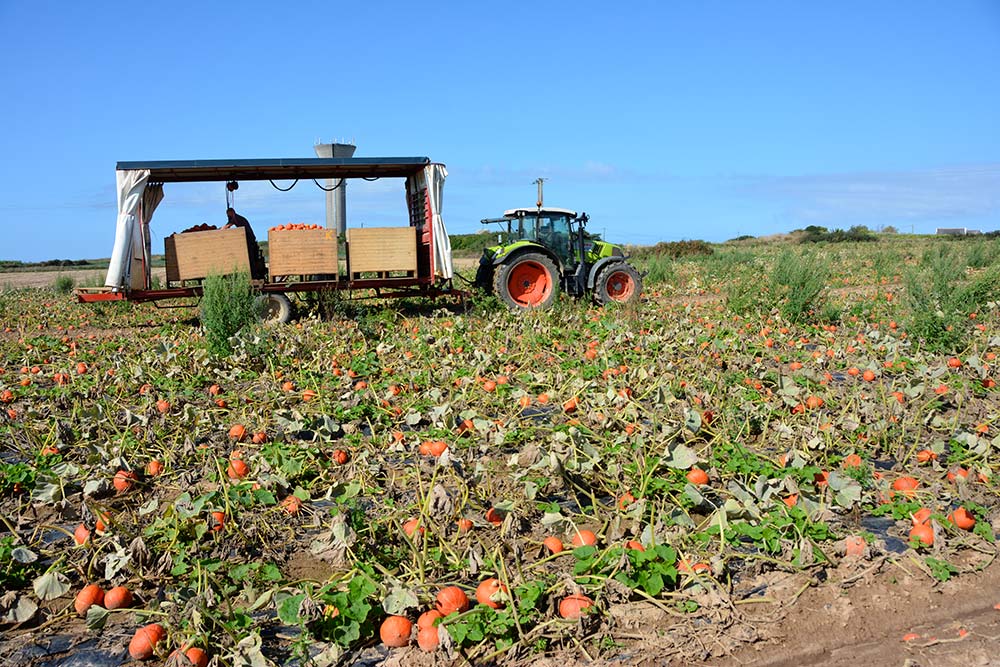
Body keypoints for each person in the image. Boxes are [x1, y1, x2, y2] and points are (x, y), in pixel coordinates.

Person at [223, 208, 266, 279]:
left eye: (229, 215)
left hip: (250, 240)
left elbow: (228, 226)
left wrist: (220, 230)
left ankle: (254, 276)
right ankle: (253, 275)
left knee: (250, 258)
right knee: (250, 257)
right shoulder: (237, 218)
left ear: (232, 213)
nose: (228, 217)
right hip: (248, 239)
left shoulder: (237, 218)